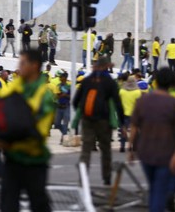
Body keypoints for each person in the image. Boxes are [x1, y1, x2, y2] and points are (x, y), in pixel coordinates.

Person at [0, 49, 55, 212]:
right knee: (7, 204)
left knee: (39, 204)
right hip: (12, 158)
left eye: (22, 63)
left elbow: (39, 130)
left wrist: (9, 135)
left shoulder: (44, 95)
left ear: (34, 65)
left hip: (34, 160)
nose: (18, 66)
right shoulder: (14, 87)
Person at [129, 68, 175, 212]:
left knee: (154, 187)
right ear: (172, 83)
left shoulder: (142, 101)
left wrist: (131, 148)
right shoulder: (174, 103)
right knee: (159, 191)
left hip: (145, 152)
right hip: (166, 154)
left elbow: (134, 126)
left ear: (156, 81)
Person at [73, 56, 125, 186]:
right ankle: (106, 178)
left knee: (86, 150)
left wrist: (82, 115)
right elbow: (118, 103)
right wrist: (122, 123)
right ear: (107, 66)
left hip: (87, 119)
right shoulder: (109, 82)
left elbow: (76, 101)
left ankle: (82, 179)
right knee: (105, 149)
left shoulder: (87, 80)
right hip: (104, 120)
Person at [118, 75, 142, 153]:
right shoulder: (138, 92)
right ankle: (134, 146)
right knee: (135, 130)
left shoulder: (122, 91)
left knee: (123, 130)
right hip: (134, 113)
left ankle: (122, 146)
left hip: (124, 113)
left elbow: (119, 102)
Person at [53, 72, 71, 144]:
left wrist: (65, 95)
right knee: (56, 124)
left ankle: (63, 138)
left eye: (61, 77)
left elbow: (72, 96)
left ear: (65, 78)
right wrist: (62, 95)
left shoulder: (69, 86)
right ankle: (65, 132)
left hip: (66, 107)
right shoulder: (58, 86)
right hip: (59, 107)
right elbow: (57, 96)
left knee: (65, 123)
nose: (60, 78)